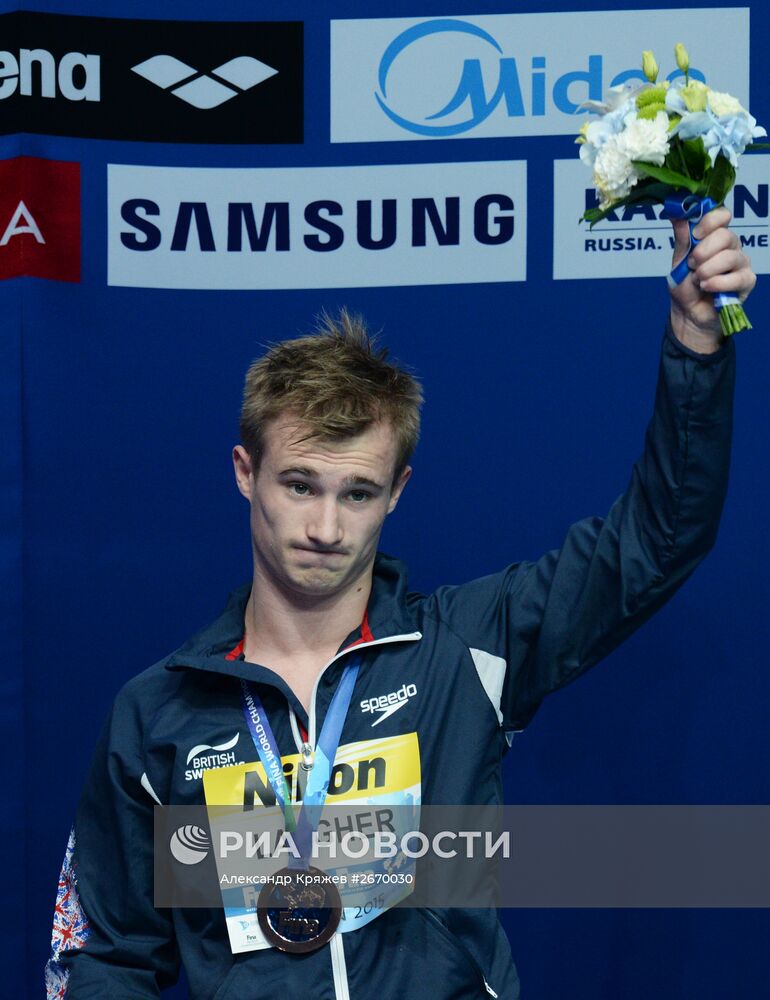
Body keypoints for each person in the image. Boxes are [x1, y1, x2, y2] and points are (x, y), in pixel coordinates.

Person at [47, 208, 755, 1000]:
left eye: (358, 492)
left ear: (398, 492)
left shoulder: (467, 650)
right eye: (299, 484)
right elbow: (104, 959)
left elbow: (659, 540)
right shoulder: (159, 718)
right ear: (246, 472)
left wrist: (697, 344)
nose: (324, 527)